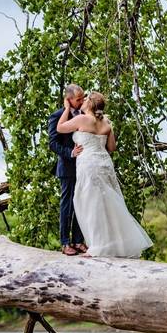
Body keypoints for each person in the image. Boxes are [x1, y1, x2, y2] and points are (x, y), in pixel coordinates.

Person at [56, 91, 152, 258]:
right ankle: (115, 244)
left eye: (85, 99)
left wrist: (66, 109)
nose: (83, 101)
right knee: (109, 203)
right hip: (105, 164)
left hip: (89, 164)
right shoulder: (106, 122)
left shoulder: (81, 119)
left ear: (90, 104)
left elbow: (60, 127)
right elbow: (112, 148)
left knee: (91, 203)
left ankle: (98, 246)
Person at [48, 84, 87, 256]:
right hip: (67, 167)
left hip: (85, 167)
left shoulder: (86, 114)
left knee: (82, 203)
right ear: (69, 100)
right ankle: (65, 243)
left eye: (83, 98)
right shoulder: (57, 116)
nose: (82, 101)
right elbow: (53, 143)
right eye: (79, 99)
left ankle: (78, 241)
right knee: (67, 206)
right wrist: (70, 153)